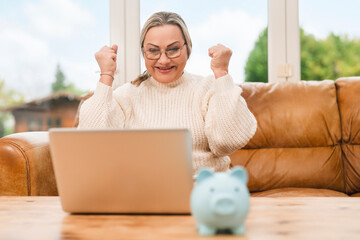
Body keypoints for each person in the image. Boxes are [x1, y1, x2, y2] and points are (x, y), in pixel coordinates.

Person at [78, 11, 257, 176]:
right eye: (153, 51)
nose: (163, 60)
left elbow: (227, 141)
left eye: (173, 49)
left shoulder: (207, 88)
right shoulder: (127, 95)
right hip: (144, 194)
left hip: (205, 193)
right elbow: (93, 144)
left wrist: (222, 72)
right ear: (144, 53)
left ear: (187, 49)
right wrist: (106, 75)